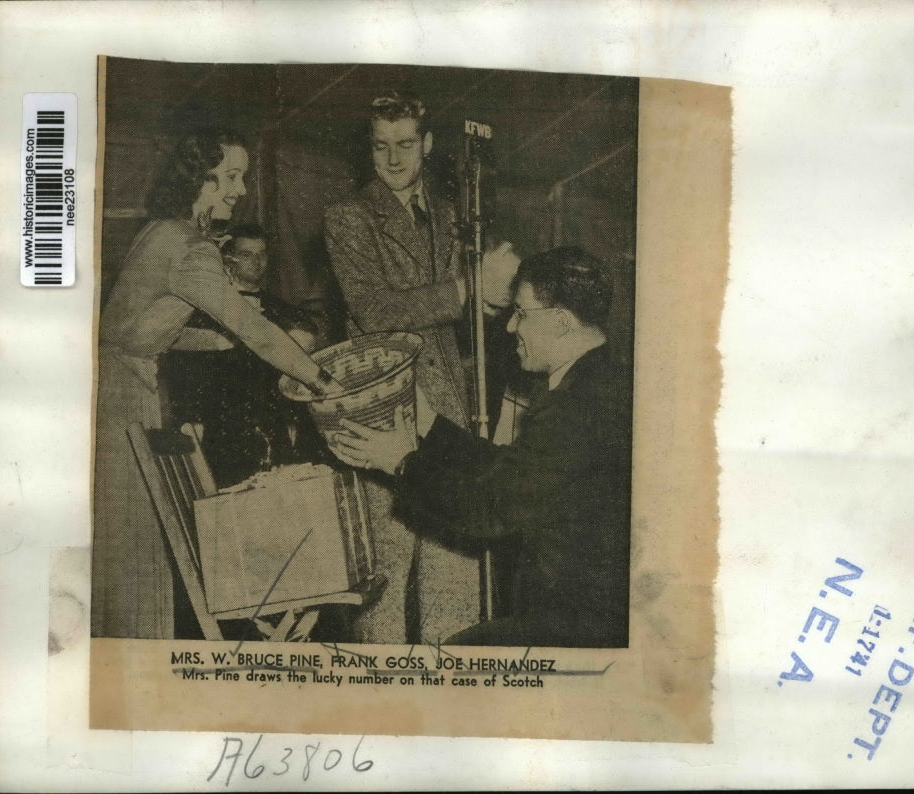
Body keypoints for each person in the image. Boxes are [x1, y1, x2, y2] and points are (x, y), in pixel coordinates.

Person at [92, 129, 333, 639]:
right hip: (124, 401)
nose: (241, 189)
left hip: (120, 391)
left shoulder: (161, 232)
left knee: (135, 550)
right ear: (197, 180)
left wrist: (221, 345)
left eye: (241, 176)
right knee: (139, 550)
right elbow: (254, 328)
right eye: (230, 176)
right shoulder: (189, 247)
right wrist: (318, 376)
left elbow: (138, 333)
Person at [331, 248, 632, 648]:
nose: (510, 327)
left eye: (521, 313)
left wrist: (401, 462)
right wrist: (430, 426)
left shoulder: (575, 408)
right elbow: (512, 471)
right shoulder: (599, 379)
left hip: (575, 625)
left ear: (561, 322)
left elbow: (489, 509)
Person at [324, 91, 519, 644]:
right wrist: (467, 289)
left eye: (405, 144)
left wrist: (497, 287)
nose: (393, 159)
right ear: (368, 149)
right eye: (381, 146)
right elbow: (375, 309)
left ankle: (449, 703)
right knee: (383, 581)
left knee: (452, 568)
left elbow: (479, 289)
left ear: (427, 145)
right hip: (379, 408)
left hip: (444, 405)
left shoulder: (455, 213)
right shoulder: (347, 217)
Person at [160, 223, 326, 488]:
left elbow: (307, 337)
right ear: (229, 258)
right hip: (223, 428)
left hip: (274, 423)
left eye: (262, 254)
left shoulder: (279, 309)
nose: (257, 262)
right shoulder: (203, 312)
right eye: (247, 254)